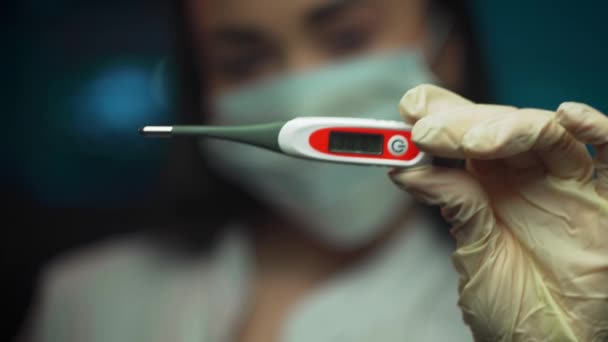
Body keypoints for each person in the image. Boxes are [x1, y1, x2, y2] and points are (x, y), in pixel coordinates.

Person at [16, 0, 608, 341]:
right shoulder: (84, 300)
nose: (300, 92)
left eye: (347, 39)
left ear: (445, 44)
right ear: (203, 91)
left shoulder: (533, 307)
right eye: (242, 62)